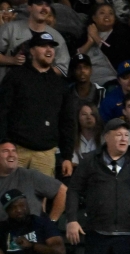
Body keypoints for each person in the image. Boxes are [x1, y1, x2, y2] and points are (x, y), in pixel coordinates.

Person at [66, 118, 130, 254]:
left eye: (126, 135)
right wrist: (71, 219)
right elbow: (74, 189)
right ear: (106, 137)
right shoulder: (90, 160)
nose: (124, 138)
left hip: (129, 236)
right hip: (97, 235)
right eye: (119, 134)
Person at [0, 32, 74, 178]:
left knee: (40, 201)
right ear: (32, 50)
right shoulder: (15, 76)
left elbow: (67, 121)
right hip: (15, 149)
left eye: (51, 47)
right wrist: (3, 142)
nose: (49, 50)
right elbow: (2, 111)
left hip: (46, 154)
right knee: (8, 197)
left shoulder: (59, 84)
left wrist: (67, 156)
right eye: (43, 46)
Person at [0, 0, 70, 83]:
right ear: (29, 7)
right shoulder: (10, 28)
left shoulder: (56, 37)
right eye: (39, 4)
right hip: (10, 87)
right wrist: (12, 60)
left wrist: (38, 72)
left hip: (40, 90)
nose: (44, 8)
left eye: (47, 5)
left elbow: (62, 67)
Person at [0, 188, 65, 254]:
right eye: (12, 207)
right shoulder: (2, 229)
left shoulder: (42, 223)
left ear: (27, 204)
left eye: (21, 205)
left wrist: (32, 246)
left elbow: (60, 251)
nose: (18, 210)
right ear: (7, 211)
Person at [0, 142, 66, 224]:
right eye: (5, 151)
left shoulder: (30, 176)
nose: (11, 154)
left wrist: (51, 222)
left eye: (14, 151)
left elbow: (63, 191)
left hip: (33, 232)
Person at [76, 3, 130, 87]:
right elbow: (75, 60)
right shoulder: (85, 36)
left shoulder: (121, 36)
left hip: (111, 81)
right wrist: (89, 42)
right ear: (94, 18)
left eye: (111, 13)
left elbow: (116, 55)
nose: (107, 15)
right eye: (102, 13)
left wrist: (96, 38)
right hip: (85, 81)